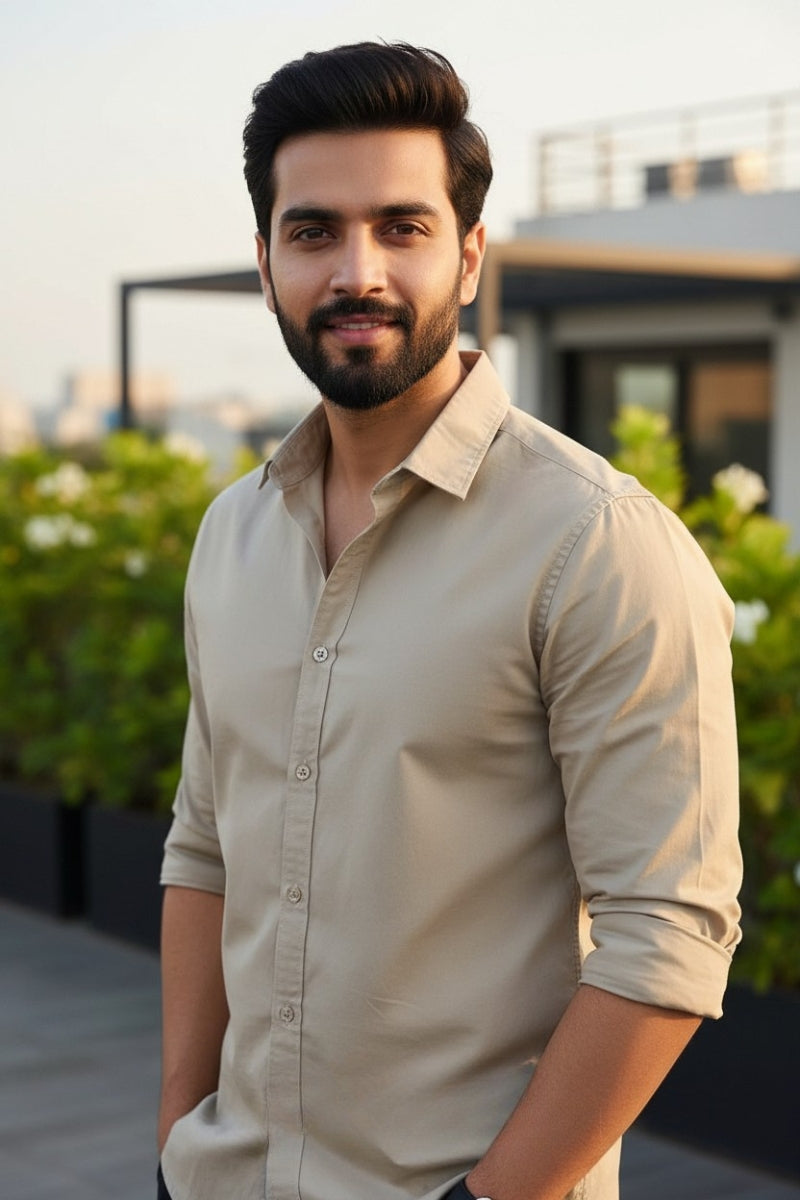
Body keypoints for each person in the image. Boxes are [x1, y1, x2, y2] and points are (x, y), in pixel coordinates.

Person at [157, 42, 742, 1200]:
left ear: (468, 256)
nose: (354, 270)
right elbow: (203, 844)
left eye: (403, 227)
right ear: (267, 261)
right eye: (312, 231)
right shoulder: (232, 533)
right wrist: (179, 1139)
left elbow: (666, 934)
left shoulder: (595, 542)